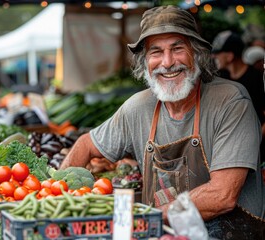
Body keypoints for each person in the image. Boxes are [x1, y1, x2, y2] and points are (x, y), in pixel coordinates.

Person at [60, 5, 265, 239]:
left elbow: (222, 195)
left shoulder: (231, 101)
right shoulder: (137, 108)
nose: (167, 63)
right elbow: (86, 144)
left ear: (196, 53)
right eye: (156, 52)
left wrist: (148, 217)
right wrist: (56, 199)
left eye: (177, 48)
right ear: (145, 61)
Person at [211, 31, 265, 165]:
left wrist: (255, 140)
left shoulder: (257, 78)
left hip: (257, 152)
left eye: (218, 53)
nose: (214, 56)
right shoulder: (220, 78)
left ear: (229, 56)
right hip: (227, 148)